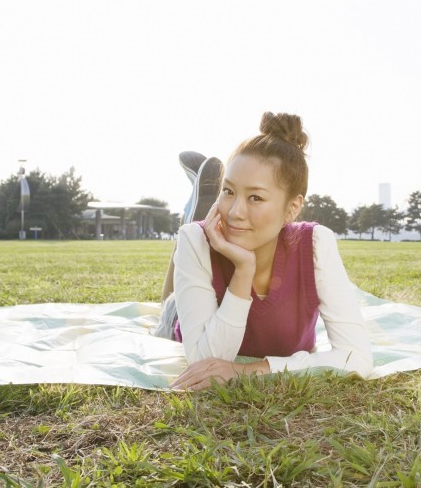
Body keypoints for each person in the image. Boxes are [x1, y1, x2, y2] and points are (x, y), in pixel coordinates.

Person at [160, 112, 373, 391]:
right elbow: (206, 362)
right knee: (170, 302)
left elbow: (357, 358)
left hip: (215, 266)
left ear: (293, 207)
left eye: (255, 197)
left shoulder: (315, 245)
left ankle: (198, 207)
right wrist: (242, 272)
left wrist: (247, 370)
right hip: (182, 319)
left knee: (194, 244)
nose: (235, 212)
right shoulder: (197, 239)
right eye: (228, 191)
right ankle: (191, 217)